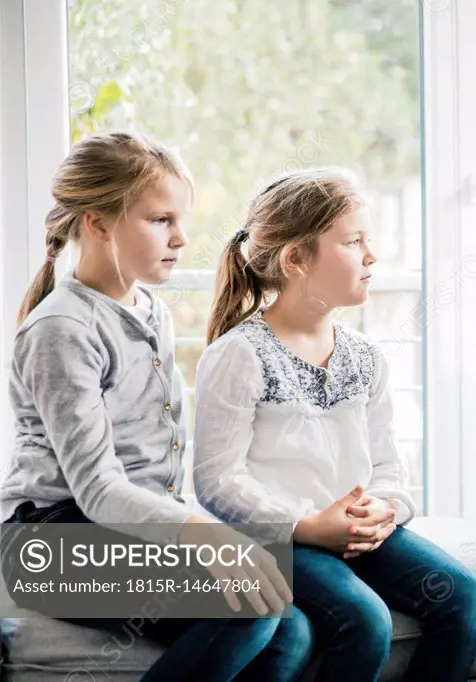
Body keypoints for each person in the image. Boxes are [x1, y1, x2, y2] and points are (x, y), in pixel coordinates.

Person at [0, 131, 309, 681]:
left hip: (118, 531)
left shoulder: (151, 310)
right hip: (44, 544)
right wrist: (206, 534)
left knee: (292, 628)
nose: (181, 237)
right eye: (160, 220)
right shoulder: (62, 329)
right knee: (248, 615)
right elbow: (96, 489)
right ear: (98, 224)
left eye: (179, 220)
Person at [192, 167, 476, 682]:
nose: (371, 256)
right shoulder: (238, 355)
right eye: (353, 242)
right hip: (277, 540)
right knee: (365, 620)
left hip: (358, 532)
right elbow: (216, 481)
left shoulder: (367, 357)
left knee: (462, 598)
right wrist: (305, 526)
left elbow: (388, 467)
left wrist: (387, 508)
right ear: (296, 259)